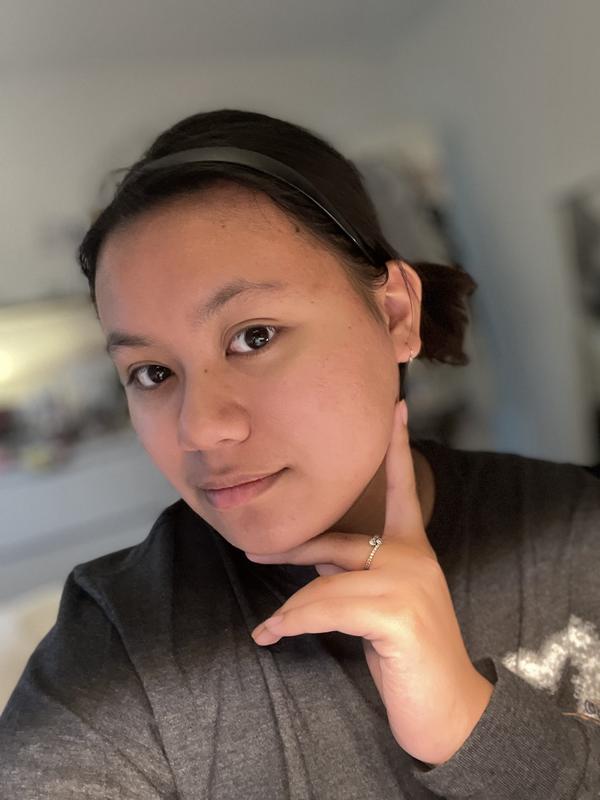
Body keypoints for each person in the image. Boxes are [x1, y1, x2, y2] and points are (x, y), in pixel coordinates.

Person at [1, 108, 599, 800]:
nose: (201, 429)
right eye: (152, 373)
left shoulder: (575, 531)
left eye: (253, 336)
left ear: (396, 314)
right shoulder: (114, 655)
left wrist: (475, 730)